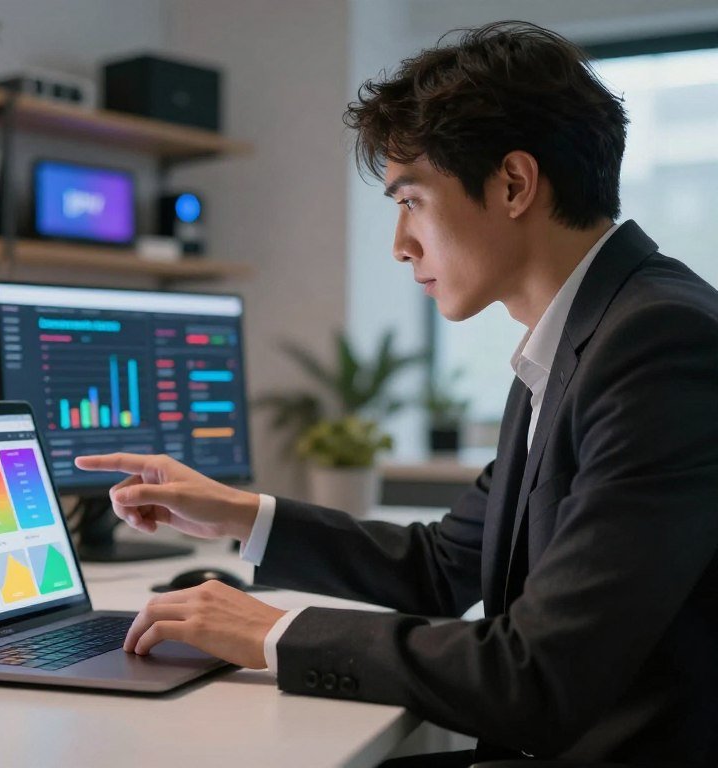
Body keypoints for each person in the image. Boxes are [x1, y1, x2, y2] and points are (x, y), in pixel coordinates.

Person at [75, 20, 718, 767]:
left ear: (514, 183)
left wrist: (271, 633)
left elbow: (537, 676)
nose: (399, 243)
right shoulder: (582, 334)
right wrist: (237, 514)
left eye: (410, 199)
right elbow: (443, 565)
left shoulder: (659, 345)